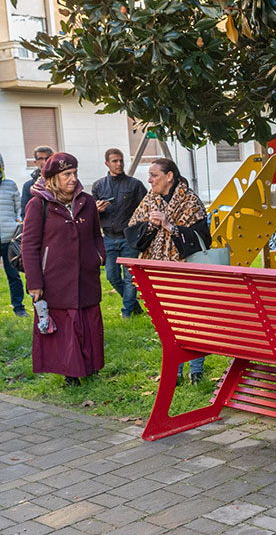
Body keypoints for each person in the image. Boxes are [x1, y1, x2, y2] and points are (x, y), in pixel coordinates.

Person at [22, 153, 106, 386]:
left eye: (74, 173)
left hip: (86, 276)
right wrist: (35, 283)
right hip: (55, 279)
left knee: (89, 322)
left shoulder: (87, 201)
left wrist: (99, 257)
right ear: (53, 178)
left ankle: (91, 369)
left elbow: (97, 235)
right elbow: (29, 246)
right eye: (66, 174)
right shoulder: (38, 204)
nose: (72, 179)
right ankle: (71, 373)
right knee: (67, 326)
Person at [125, 158, 212, 384]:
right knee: (170, 323)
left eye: (154, 175)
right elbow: (133, 233)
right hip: (158, 272)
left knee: (192, 320)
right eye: (150, 175)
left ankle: (196, 371)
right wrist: (152, 225)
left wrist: (170, 226)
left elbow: (203, 238)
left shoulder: (190, 201)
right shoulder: (149, 200)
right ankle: (175, 371)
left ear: (169, 176)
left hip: (185, 272)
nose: (149, 179)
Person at [92, 148, 147, 318]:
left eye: (121, 160)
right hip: (108, 238)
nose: (119, 164)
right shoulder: (98, 185)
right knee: (112, 277)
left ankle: (127, 313)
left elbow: (146, 207)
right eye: (115, 161)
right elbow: (91, 214)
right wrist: (97, 211)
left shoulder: (135, 184)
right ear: (107, 163)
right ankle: (135, 307)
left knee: (130, 279)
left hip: (128, 238)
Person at [0, 154, 27, 317]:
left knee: (13, 275)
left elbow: (19, 208)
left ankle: (19, 308)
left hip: (9, 239)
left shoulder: (10, 185)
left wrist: (17, 224)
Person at [21, 146, 54, 219]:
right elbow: (25, 214)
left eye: (47, 158)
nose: (44, 162)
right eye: (40, 158)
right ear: (35, 162)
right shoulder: (28, 186)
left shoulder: (64, 181)